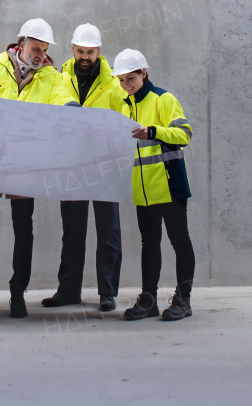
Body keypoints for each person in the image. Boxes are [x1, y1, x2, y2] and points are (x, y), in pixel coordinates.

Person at [0, 18, 80, 319]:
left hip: (25, 164)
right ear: (21, 44)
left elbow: (62, 98)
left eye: (44, 49)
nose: (40, 54)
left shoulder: (52, 77)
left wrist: (71, 111)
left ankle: (17, 294)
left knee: (23, 229)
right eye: (36, 48)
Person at [42, 23, 126, 312]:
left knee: (108, 230)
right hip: (72, 164)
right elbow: (50, 105)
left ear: (99, 51)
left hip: (105, 164)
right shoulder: (59, 77)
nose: (85, 57)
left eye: (90, 52)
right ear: (73, 50)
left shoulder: (114, 82)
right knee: (73, 231)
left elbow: (124, 117)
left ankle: (107, 293)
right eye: (80, 51)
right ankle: (68, 291)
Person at [113, 48, 196, 322]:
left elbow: (184, 134)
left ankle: (183, 301)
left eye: (130, 79)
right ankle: (148, 300)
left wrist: (154, 131)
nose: (126, 85)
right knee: (149, 244)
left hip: (169, 185)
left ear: (143, 73)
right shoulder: (126, 105)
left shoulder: (163, 98)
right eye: (122, 80)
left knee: (179, 242)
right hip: (144, 190)